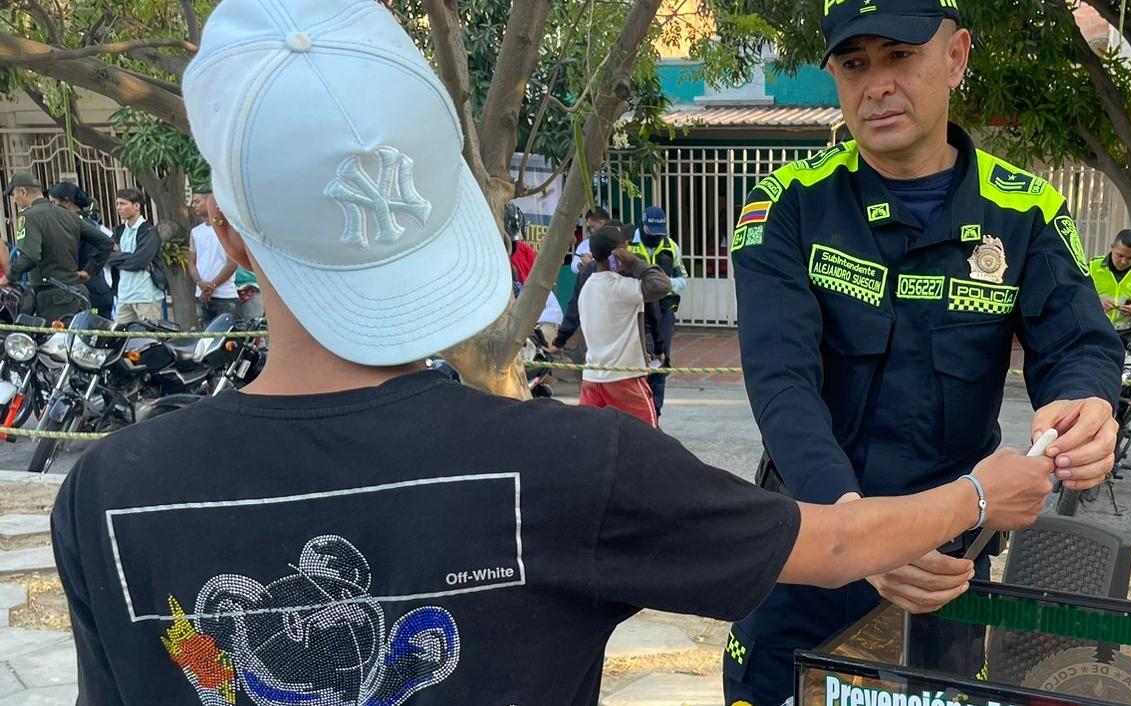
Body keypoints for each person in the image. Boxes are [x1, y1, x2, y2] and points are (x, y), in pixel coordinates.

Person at [50, 3, 1062, 705]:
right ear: (449, 206)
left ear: (223, 225)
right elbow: (832, 547)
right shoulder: (572, 466)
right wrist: (983, 494)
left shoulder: (106, 492)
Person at [725, 2, 1123, 703]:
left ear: (957, 57)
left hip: (948, 566)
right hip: (811, 542)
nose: (877, 84)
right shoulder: (788, 204)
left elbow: (1078, 347)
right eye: (855, 64)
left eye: (900, 55)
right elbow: (783, 383)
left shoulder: (1024, 212)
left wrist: (1086, 406)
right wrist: (858, 534)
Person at [567, 223, 670, 426]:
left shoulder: (587, 287)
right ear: (619, 253)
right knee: (648, 439)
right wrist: (635, 264)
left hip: (592, 379)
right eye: (626, 247)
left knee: (593, 439)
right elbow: (662, 285)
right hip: (624, 379)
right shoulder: (622, 288)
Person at [0, 172, 114, 321]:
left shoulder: (28, 217)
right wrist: (89, 271)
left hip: (52, 299)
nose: (14, 200)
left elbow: (30, 256)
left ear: (23, 191)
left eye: (14, 194)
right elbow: (106, 242)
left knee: (54, 344)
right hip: (78, 295)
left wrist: (8, 277)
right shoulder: (68, 214)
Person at [630, 206, 688, 415]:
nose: (656, 237)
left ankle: (655, 412)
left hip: (663, 311)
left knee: (660, 360)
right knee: (636, 359)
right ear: (643, 226)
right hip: (635, 311)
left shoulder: (671, 247)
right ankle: (638, 409)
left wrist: (665, 283)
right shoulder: (629, 245)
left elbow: (683, 279)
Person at [48, 182, 115, 316]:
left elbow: (106, 244)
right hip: (90, 290)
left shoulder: (77, 223)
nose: (52, 208)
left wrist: (88, 271)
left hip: (90, 291)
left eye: (53, 203)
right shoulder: (81, 221)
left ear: (67, 202)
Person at [107, 188, 167, 325]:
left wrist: (120, 257)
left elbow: (138, 261)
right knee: (120, 340)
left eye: (123, 204)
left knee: (149, 340)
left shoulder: (149, 231)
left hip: (146, 296)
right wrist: (130, 257)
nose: (118, 208)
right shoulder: (119, 231)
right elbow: (106, 256)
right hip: (124, 295)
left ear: (136, 206)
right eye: (117, 204)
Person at [1090, 228, 1131, 348]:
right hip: (1095, 333)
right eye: (1119, 255)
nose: (1124, 261)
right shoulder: (1092, 267)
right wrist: (1096, 303)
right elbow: (1075, 298)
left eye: (1130, 257)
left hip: (1128, 336)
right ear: (1112, 247)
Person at [186, 186, 241, 322]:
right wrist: (200, 283)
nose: (193, 206)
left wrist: (211, 287)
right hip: (201, 296)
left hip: (225, 296)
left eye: (197, 202)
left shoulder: (229, 229)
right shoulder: (195, 232)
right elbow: (191, 261)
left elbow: (232, 263)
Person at [570, 207, 608, 274]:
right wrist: (582, 264)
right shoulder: (585, 244)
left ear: (602, 222)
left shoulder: (614, 241)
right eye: (589, 227)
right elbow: (573, 267)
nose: (591, 230)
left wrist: (591, 264)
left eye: (593, 226)